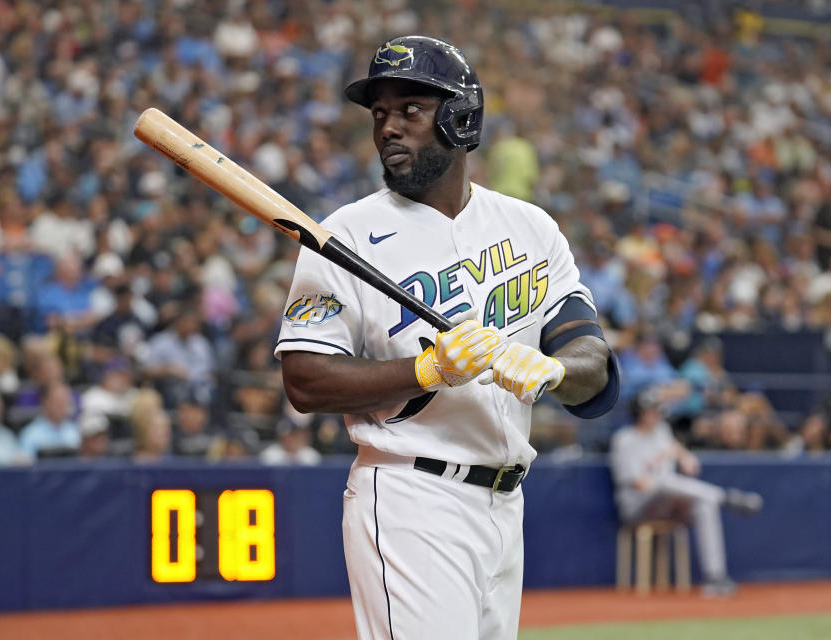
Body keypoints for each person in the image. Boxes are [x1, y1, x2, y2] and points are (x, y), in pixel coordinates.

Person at [276, 36, 619, 640]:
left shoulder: (529, 227)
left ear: (462, 117)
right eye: (380, 113)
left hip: (505, 501)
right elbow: (304, 379)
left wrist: (553, 370)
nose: (388, 127)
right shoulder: (343, 235)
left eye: (411, 108)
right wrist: (426, 370)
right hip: (411, 496)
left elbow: (596, 365)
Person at [609, 392, 764, 597]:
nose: (655, 414)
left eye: (656, 409)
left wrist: (683, 457)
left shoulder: (661, 432)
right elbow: (640, 484)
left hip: (667, 502)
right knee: (663, 481)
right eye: (650, 410)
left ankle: (715, 578)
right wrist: (660, 465)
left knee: (704, 504)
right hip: (637, 506)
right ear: (639, 413)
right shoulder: (624, 440)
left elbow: (686, 462)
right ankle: (725, 497)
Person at [19, 382, 80, 459]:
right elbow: (25, 465)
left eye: (65, 401)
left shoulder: (76, 431)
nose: (62, 406)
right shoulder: (30, 434)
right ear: (45, 402)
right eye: (58, 401)